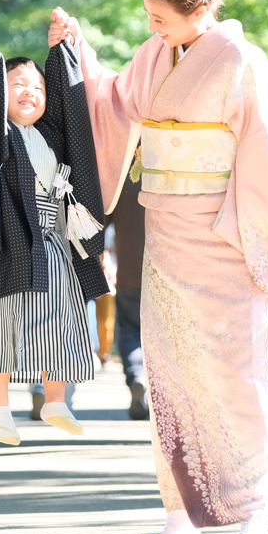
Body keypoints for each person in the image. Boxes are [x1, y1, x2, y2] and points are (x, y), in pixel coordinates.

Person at [49, 0, 268, 534]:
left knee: (238, 377)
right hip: (165, 237)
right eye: (150, 16)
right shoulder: (153, 56)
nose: (152, 26)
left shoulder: (241, 60)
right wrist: (77, 51)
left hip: (228, 235)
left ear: (198, 5)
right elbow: (111, 104)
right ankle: (179, 518)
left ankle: (255, 517)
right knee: (171, 379)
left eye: (160, 16)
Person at [0, 25, 109, 446]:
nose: (30, 91)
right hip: (5, 242)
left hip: (52, 242)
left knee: (62, 319)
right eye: (17, 84)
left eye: (38, 86)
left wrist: (61, 48)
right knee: (0, 322)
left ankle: (55, 399)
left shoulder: (53, 137)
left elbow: (72, 108)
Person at [108, 173, 149, 420]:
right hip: (167, 272)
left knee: (130, 330)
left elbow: (102, 217)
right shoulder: (168, 167)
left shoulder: (124, 173)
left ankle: (136, 376)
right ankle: (161, 395)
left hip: (129, 273)